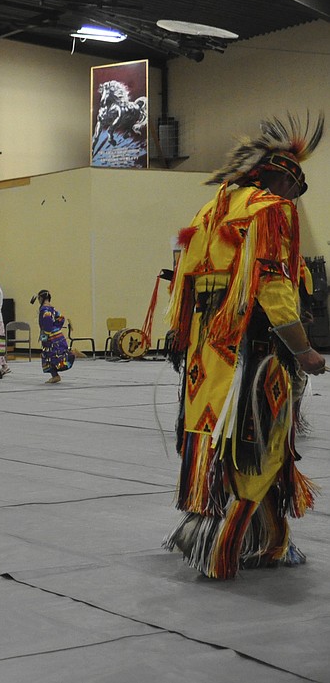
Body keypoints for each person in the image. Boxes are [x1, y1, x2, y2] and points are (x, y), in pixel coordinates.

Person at [162, 113, 327, 580]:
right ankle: (222, 549)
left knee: (221, 447)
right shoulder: (269, 209)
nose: (294, 201)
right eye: (296, 190)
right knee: (262, 446)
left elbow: (187, 285)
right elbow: (272, 287)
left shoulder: (211, 211)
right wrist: (304, 351)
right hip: (254, 350)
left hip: (207, 355)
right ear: (280, 176)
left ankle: (271, 541)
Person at [33, 290, 73, 384]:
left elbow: (47, 322)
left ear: (41, 298)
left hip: (49, 336)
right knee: (56, 354)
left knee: (48, 355)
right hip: (58, 335)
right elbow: (61, 317)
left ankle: (55, 375)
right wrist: (56, 327)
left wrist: (44, 335)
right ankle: (55, 375)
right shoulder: (52, 309)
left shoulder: (44, 310)